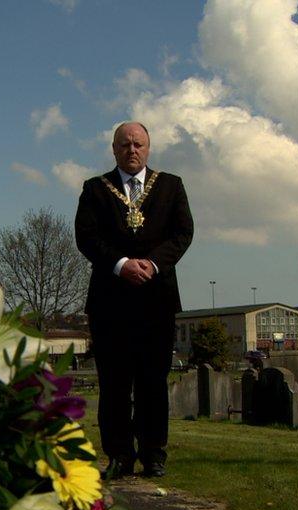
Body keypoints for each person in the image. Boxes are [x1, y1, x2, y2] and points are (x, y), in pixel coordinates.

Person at [74, 121, 194, 479]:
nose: (132, 150)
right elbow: (87, 237)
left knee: (152, 382)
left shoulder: (171, 187)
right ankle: (119, 455)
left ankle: (154, 453)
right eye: (125, 144)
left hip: (156, 300)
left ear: (149, 148)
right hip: (110, 302)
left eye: (138, 144)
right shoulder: (95, 189)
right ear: (113, 149)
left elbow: (183, 233)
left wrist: (153, 264)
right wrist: (121, 264)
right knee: (114, 382)